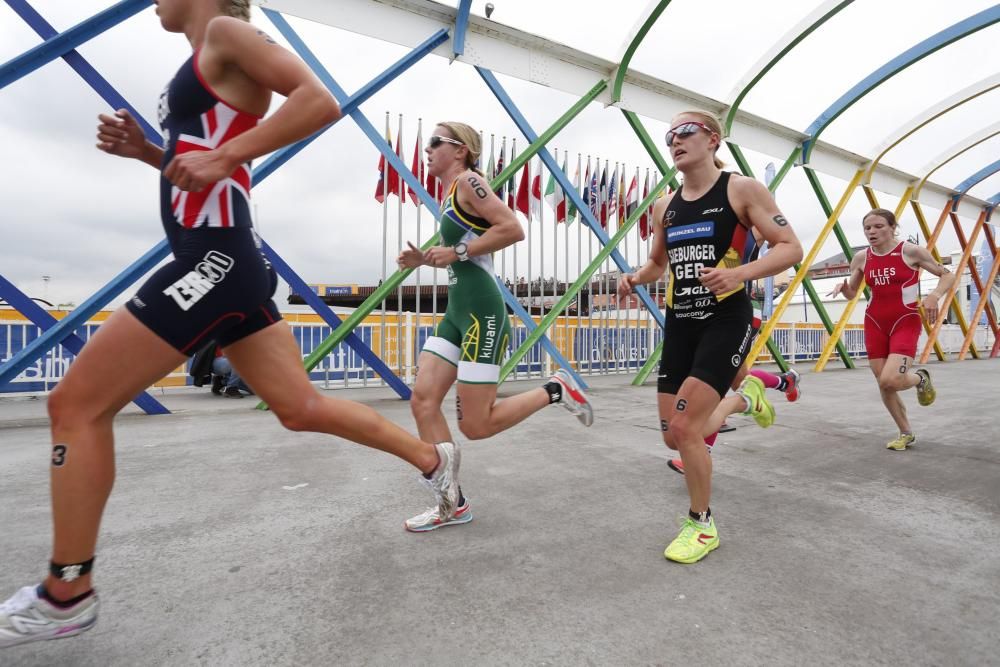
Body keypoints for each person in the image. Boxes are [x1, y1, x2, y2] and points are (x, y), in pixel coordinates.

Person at [0, 0, 460, 648]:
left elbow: (318, 101)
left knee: (73, 403)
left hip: (215, 254)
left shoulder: (224, 32)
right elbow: (204, 163)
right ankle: (432, 458)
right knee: (300, 407)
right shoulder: (199, 61)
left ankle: (65, 592)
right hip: (228, 257)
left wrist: (224, 155)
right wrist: (149, 154)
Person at [617, 110, 802, 563]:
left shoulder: (740, 189)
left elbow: (790, 247)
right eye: (669, 135)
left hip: (726, 320)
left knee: (685, 429)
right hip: (681, 324)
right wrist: (635, 278)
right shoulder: (665, 205)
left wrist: (737, 273)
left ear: (713, 139)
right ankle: (746, 396)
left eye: (685, 132)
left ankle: (701, 525)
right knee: (672, 436)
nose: (675, 140)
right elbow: (659, 264)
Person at [396, 122, 593, 532]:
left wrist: (457, 250)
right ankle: (452, 502)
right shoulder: (450, 194)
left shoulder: (469, 181)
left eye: (435, 142)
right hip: (457, 310)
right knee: (423, 400)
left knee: (476, 424)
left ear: (461, 150)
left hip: (481, 311)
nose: (427, 149)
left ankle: (554, 390)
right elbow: (461, 253)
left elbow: (512, 228)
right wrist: (427, 259)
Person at [664, 229, 801, 475]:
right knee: (738, 380)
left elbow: (785, 243)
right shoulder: (703, 222)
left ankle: (700, 452)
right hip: (703, 315)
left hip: (739, 313)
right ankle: (784, 382)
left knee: (722, 380)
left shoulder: (749, 222)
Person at [828, 208, 952, 450]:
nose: (872, 232)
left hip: (905, 320)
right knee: (883, 382)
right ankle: (905, 432)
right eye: (867, 228)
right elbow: (853, 291)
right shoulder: (862, 258)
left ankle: (920, 378)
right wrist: (844, 289)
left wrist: (935, 296)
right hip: (874, 321)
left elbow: (947, 275)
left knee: (891, 379)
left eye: (878, 226)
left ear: (893, 227)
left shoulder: (910, 251)